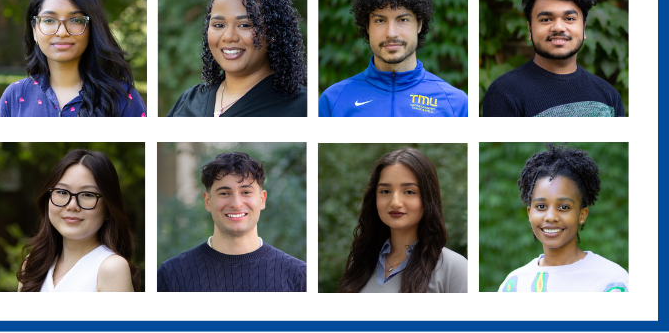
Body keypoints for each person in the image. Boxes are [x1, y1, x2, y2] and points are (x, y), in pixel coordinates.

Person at [318, 0, 468, 117]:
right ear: (367, 26)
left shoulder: (455, 104)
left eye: (403, 20)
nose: (391, 33)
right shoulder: (333, 100)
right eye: (380, 20)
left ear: (419, 24)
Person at [0, 0, 146, 117]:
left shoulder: (124, 98)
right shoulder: (15, 96)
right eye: (49, 20)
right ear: (35, 30)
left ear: (92, 29)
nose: (62, 32)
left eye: (76, 20)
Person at [482, 0, 625, 117]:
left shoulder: (609, 96)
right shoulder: (504, 93)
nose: (558, 27)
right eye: (546, 19)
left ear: (583, 28)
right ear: (530, 29)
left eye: (569, 19)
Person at [167, 0, 307, 117]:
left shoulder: (301, 108)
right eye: (219, 25)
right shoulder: (189, 101)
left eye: (245, 25)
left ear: (272, 33)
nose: (228, 37)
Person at [158, 152, 305, 292]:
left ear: (262, 200)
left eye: (246, 192)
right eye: (224, 193)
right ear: (208, 201)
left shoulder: (299, 276)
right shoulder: (171, 275)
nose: (236, 204)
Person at [499, 144, 628, 292]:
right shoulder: (513, 285)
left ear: (582, 214)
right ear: (529, 213)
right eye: (541, 206)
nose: (551, 217)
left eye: (564, 207)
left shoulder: (612, 281)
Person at [337, 148, 467, 293]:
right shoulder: (359, 265)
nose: (395, 202)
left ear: (428, 198)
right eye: (385, 191)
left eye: (409, 192)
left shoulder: (453, 268)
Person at [16, 149, 139, 291]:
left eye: (87, 194)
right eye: (62, 192)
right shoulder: (33, 264)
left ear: (109, 208)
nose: (72, 206)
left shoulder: (111, 268)